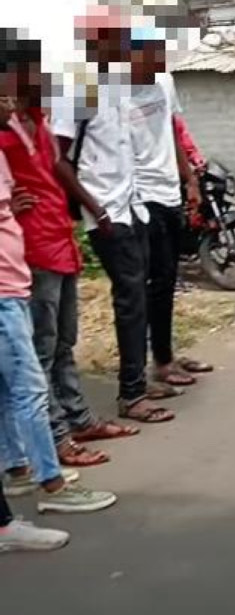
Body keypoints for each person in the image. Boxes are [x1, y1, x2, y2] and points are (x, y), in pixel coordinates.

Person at [0, 34, 142, 468]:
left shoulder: (35, 119)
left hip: (59, 238)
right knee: (42, 350)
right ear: (15, 74)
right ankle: (55, 441)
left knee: (65, 342)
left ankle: (77, 420)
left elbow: (54, 169)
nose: (44, 76)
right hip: (32, 248)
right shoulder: (5, 128)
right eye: (35, 69)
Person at [53, 21, 176, 425]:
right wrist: (96, 209)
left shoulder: (118, 91)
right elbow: (59, 158)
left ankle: (138, 379)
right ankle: (131, 394)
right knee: (131, 297)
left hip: (132, 205)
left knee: (139, 293)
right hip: (105, 210)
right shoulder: (80, 89)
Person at [0, 141, 117, 514]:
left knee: (9, 387)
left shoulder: (19, 138)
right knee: (30, 386)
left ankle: (18, 469)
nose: (9, 107)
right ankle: (52, 485)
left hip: (24, 272)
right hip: (7, 286)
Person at [126, 33, 213, 399]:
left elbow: (172, 133)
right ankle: (156, 363)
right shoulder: (112, 93)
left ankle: (165, 355)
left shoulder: (163, 81)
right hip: (139, 196)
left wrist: (189, 180)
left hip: (168, 190)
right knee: (151, 282)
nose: (152, 64)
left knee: (167, 279)